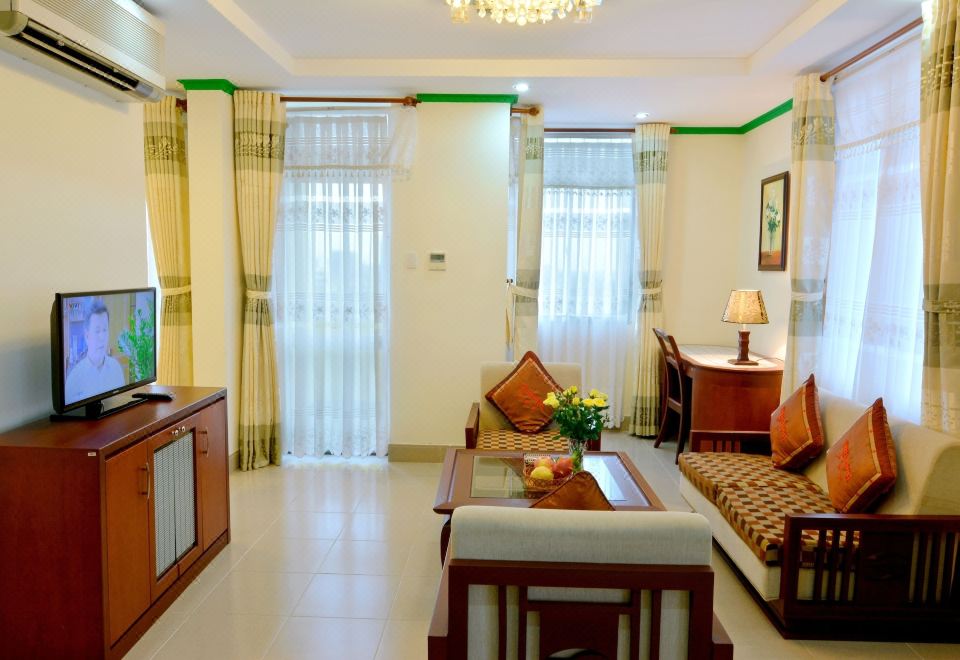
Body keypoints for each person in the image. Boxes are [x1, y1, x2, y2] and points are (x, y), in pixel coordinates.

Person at [64, 301, 126, 404]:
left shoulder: (116, 368)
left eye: (105, 330)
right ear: (87, 336)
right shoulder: (74, 378)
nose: (102, 337)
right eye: (97, 331)